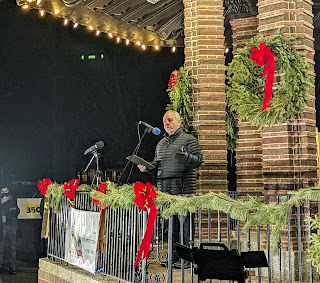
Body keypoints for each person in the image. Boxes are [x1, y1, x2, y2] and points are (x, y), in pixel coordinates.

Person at [138, 110, 203, 268]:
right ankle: (174, 257)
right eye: (165, 121)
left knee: (185, 226)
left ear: (179, 122)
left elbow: (199, 160)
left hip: (183, 190)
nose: (167, 123)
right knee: (171, 227)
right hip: (165, 191)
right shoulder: (161, 144)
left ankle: (187, 259)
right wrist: (147, 167)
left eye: (170, 120)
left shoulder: (189, 140)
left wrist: (186, 156)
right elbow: (158, 164)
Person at [0, 185, 20, 275]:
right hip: (2, 225)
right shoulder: (1, 199)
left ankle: (12, 267)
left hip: (12, 224)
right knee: (1, 248)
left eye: (7, 191)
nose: (5, 194)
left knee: (12, 247)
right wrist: (1, 202)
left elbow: (17, 210)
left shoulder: (12, 198)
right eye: (3, 192)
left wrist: (14, 210)